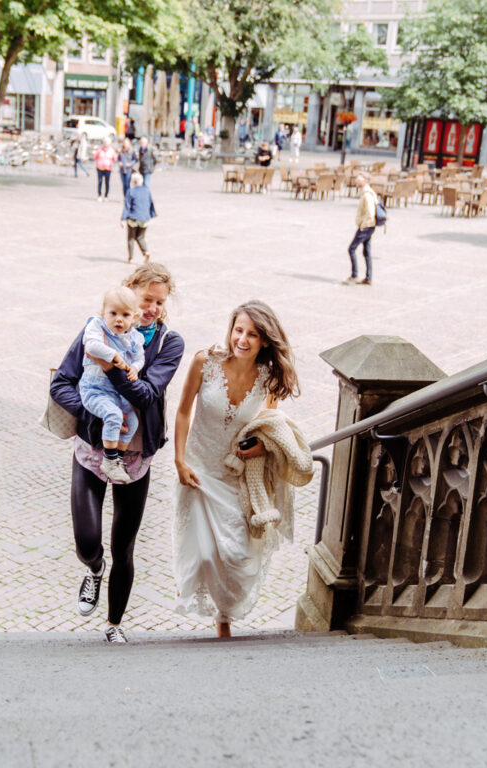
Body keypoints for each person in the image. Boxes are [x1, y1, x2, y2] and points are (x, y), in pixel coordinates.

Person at [50, 263, 185, 644]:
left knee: (124, 546)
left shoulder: (167, 343)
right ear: (129, 291)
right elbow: (61, 383)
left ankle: (114, 625)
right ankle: (93, 570)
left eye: (159, 302)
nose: (152, 309)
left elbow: (146, 393)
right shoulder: (95, 330)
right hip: (93, 450)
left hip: (135, 458)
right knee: (87, 541)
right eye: (146, 299)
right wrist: (92, 411)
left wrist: (109, 366)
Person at [173, 300, 307, 638]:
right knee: (204, 553)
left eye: (252, 334)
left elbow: (268, 425)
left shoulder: (269, 378)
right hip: (199, 469)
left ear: (264, 340)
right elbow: (183, 412)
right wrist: (179, 460)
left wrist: (262, 447)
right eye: (238, 330)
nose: (242, 339)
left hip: (236, 476)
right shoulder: (205, 362)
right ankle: (218, 615)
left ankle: (225, 611)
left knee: (237, 554)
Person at [79, 287, 146, 485]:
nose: (118, 319)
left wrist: (134, 367)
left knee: (132, 421)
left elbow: (139, 357)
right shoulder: (97, 326)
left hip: (117, 393)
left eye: (125, 315)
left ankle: (118, 459)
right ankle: (109, 461)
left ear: (133, 317)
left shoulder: (133, 336)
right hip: (94, 390)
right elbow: (91, 347)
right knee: (114, 415)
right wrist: (113, 355)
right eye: (113, 313)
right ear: (104, 312)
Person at [343, 173, 377, 286]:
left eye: (359, 179)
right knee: (366, 251)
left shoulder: (367, 195)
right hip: (370, 226)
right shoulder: (369, 192)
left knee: (351, 249)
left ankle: (354, 275)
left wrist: (363, 225)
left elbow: (370, 213)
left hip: (366, 226)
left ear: (366, 181)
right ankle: (368, 277)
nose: (357, 181)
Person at [120, 172, 156, 263]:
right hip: (144, 218)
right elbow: (151, 203)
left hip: (134, 217)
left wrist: (122, 219)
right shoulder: (147, 190)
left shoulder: (131, 191)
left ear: (133, 182)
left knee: (131, 238)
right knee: (141, 237)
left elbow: (127, 207)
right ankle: (146, 251)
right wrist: (151, 214)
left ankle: (131, 258)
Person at [93, 137, 117, 201]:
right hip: (100, 168)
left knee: (107, 182)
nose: (106, 144)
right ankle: (99, 195)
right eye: (105, 142)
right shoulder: (99, 149)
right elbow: (95, 157)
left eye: (108, 142)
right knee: (100, 182)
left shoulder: (112, 150)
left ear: (110, 143)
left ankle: (106, 196)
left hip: (108, 168)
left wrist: (111, 162)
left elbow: (115, 158)